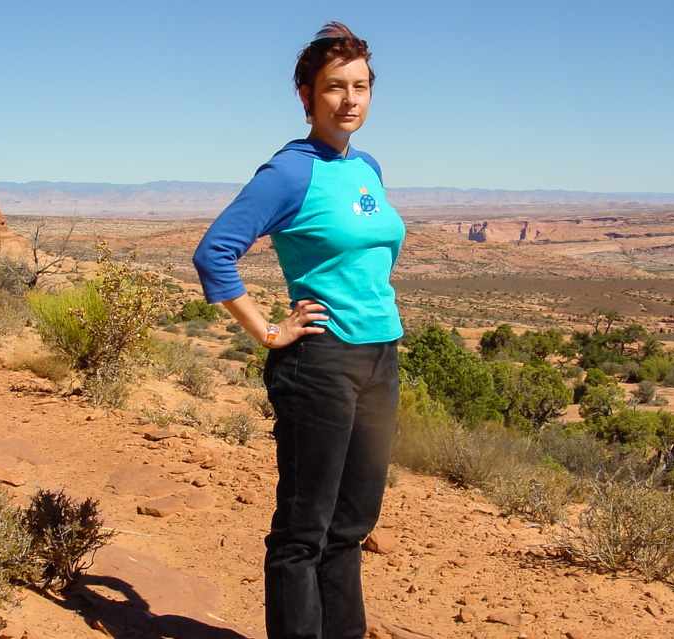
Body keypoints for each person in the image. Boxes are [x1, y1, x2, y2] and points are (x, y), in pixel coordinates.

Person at [192, 21, 404, 639]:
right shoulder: (290, 171)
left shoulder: (367, 166)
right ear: (307, 95)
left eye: (361, 86)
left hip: (379, 357)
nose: (350, 99)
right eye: (335, 87)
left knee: (353, 521)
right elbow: (215, 252)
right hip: (320, 362)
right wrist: (267, 330)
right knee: (304, 528)